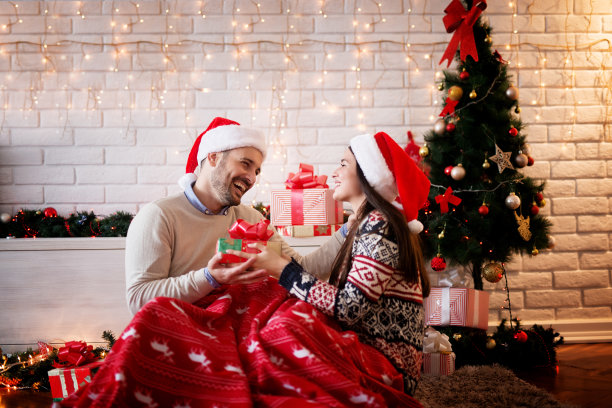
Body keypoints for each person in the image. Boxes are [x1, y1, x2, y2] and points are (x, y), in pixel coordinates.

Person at [227, 131, 431, 395]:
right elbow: (311, 269)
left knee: (287, 326)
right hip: (363, 346)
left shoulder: (380, 225)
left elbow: (348, 307)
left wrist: (278, 268)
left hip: (387, 364)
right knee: (284, 314)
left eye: (344, 164)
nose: (334, 172)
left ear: (369, 174)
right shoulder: (363, 226)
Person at [124, 117, 346, 315]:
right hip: (185, 330)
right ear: (213, 157)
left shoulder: (252, 218)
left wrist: (349, 229)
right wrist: (210, 278)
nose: (252, 178)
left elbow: (301, 270)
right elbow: (139, 298)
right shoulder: (159, 215)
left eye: (257, 171)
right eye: (245, 164)